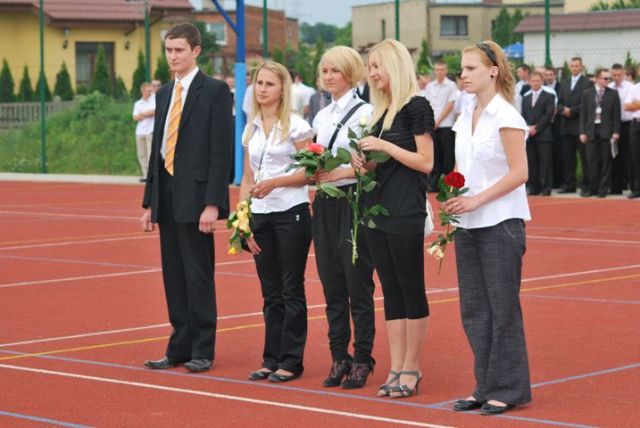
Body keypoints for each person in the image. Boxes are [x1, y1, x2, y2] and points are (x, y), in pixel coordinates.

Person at [141, 23, 233, 373]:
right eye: (169, 50)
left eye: (179, 50)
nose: (173, 56)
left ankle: (202, 349)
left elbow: (220, 151)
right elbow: (158, 150)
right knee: (174, 276)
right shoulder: (164, 93)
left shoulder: (215, 91)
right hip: (167, 196)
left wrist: (213, 203)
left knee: (197, 275)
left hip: (196, 198)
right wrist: (150, 202)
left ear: (196, 51)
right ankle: (178, 346)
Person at [446, 41, 531, 415]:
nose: (462, 74)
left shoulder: (506, 115)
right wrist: (454, 195)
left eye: (470, 68)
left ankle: (509, 388)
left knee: (502, 308)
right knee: (475, 309)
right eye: (462, 68)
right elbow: (464, 169)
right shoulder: (466, 115)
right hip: (468, 223)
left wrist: (477, 200)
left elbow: (520, 172)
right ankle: (485, 385)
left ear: (493, 71)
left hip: (501, 223)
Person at [354, 39, 434, 399]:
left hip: (405, 210)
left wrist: (384, 146)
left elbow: (426, 162)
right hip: (376, 210)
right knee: (390, 290)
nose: (371, 73)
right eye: (369, 67)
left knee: (410, 288)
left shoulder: (416, 107)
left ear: (395, 65)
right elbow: (379, 166)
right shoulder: (379, 111)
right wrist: (364, 162)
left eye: (377, 66)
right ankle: (396, 367)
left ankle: (412, 368)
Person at [238, 61, 314, 383]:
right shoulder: (251, 127)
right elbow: (247, 177)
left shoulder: (297, 126)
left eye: (270, 83)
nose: (262, 89)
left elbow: (311, 172)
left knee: (290, 288)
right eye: (259, 83)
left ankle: (291, 361)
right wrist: (242, 220)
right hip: (260, 214)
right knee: (270, 292)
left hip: (291, 212)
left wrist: (276, 183)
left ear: (283, 88)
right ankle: (271, 359)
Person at [311, 46, 377, 389]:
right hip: (324, 203)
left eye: (335, 70)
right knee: (331, 282)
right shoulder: (321, 116)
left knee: (357, 283)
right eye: (325, 70)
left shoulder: (366, 113)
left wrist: (338, 174)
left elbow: (370, 166)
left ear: (350, 73)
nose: (328, 76)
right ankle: (339, 355)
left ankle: (363, 358)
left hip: (353, 201)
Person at [579, 68, 621, 198]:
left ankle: (603, 189)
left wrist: (616, 131)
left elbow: (616, 114)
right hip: (591, 130)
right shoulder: (587, 93)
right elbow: (583, 114)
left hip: (606, 131)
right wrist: (582, 132)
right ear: (597, 79)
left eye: (609, 78)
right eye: (605, 78)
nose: (608, 80)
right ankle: (593, 188)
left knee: (605, 161)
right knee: (592, 161)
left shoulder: (613, 93)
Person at [557, 57, 593, 195]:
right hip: (566, 126)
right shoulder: (564, 83)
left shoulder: (587, 83)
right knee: (568, 157)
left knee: (584, 158)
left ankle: (586, 185)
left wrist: (572, 111)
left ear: (581, 67)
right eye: (572, 66)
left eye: (577, 66)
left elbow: (587, 103)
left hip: (580, 126)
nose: (574, 68)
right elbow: (559, 102)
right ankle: (569, 184)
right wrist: (562, 109)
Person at [422, 60, 457, 191]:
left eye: (442, 69)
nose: (440, 72)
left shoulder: (451, 85)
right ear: (434, 71)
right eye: (437, 69)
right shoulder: (430, 86)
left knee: (448, 156)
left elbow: (450, 105)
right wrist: (430, 122)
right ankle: (433, 184)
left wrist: (438, 121)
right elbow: (427, 105)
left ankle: (448, 185)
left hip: (446, 125)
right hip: (432, 126)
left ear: (446, 71)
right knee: (435, 155)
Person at [522, 71, 555, 196]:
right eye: (533, 81)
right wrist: (528, 127)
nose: (535, 83)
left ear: (542, 81)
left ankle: (546, 188)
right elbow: (523, 114)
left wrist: (537, 127)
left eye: (538, 81)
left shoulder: (549, 96)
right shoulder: (526, 97)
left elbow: (549, 114)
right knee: (532, 162)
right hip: (530, 135)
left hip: (544, 134)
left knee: (545, 163)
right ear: (529, 82)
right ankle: (533, 187)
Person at [609, 63, 635, 194]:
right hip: (613, 125)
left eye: (619, 75)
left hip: (627, 124)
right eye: (614, 75)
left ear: (623, 74)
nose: (616, 77)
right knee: (614, 155)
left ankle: (632, 185)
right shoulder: (609, 87)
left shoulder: (631, 87)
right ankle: (616, 186)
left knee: (629, 155)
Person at [544, 66, 564, 189]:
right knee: (548, 155)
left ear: (555, 75)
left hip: (558, 124)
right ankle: (549, 181)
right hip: (545, 125)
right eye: (546, 75)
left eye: (550, 74)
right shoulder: (542, 88)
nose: (548, 77)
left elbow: (562, 102)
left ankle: (559, 181)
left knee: (559, 153)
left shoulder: (561, 87)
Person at [132, 82, 156, 182]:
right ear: (142, 91)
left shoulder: (154, 100)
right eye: (148, 90)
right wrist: (146, 114)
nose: (150, 92)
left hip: (150, 131)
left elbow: (153, 112)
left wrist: (141, 114)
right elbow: (135, 117)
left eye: (151, 90)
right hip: (140, 132)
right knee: (141, 154)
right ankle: (145, 174)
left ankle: (151, 175)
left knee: (150, 154)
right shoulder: (138, 103)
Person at [624, 66, 640, 199]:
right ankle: (637, 188)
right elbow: (626, 106)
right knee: (635, 157)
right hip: (636, 124)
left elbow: (632, 105)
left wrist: (637, 104)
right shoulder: (635, 88)